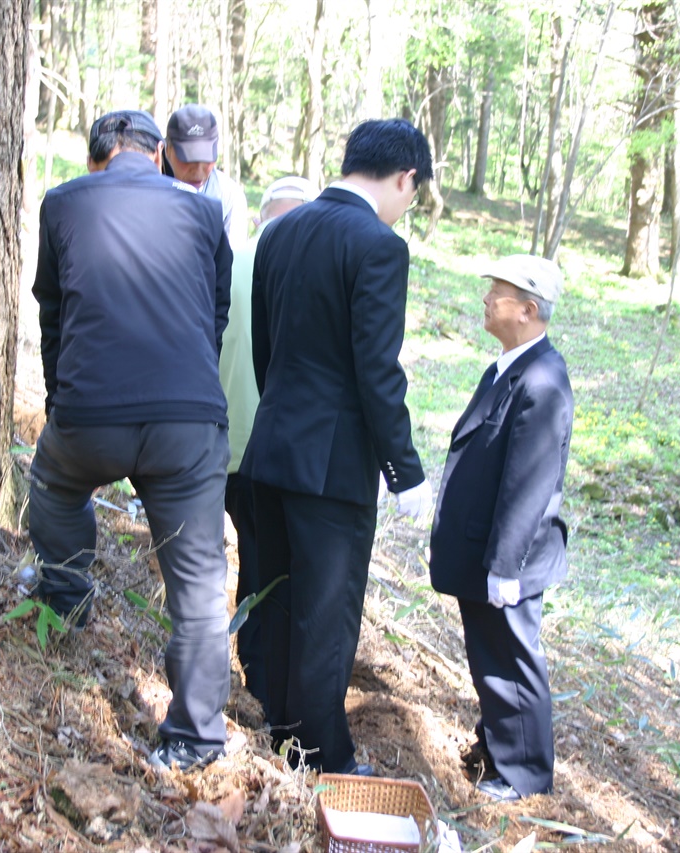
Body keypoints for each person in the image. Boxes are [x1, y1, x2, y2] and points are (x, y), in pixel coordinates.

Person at [30, 109, 234, 771]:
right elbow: (216, 312)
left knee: (55, 488)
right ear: (157, 155)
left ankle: (65, 595)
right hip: (189, 421)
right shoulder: (204, 213)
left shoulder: (62, 204)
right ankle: (196, 737)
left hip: (90, 414)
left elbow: (53, 316)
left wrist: (62, 401)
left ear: (99, 158)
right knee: (199, 584)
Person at [241, 118, 434, 776]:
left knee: (274, 591)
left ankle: (271, 723)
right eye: (416, 191)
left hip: (272, 444)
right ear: (405, 176)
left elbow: (265, 347)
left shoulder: (281, 231)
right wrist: (405, 470)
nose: (409, 204)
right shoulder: (379, 246)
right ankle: (324, 756)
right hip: (331, 465)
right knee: (325, 613)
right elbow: (376, 370)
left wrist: (283, 419)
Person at [428, 254, 573, 802]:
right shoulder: (509, 365)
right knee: (491, 658)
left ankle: (524, 773)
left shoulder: (542, 382)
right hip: (483, 549)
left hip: (509, 557)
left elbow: (528, 486)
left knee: (512, 661)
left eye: (499, 292)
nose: (487, 298)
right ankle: (497, 749)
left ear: (529, 310)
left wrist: (505, 566)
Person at [220, 175, 319, 707]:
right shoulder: (307, 271)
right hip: (287, 453)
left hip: (229, 447)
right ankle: (274, 686)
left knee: (254, 561)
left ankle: (254, 673)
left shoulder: (227, 262)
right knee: (284, 570)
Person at [164, 104, 250, 247]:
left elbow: (234, 256)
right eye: (188, 160)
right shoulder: (148, 191)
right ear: (167, 150)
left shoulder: (228, 195)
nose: (198, 170)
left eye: (206, 159)